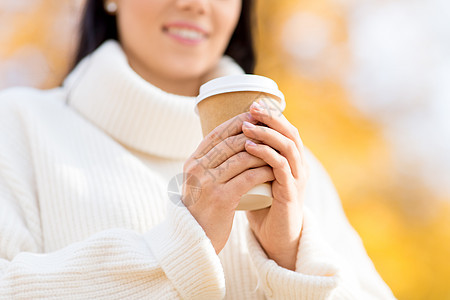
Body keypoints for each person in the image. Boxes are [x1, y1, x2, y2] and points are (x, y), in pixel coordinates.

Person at [0, 0, 396, 299]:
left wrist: (292, 256)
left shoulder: (294, 168)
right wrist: (177, 253)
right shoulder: (18, 126)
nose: (196, 4)